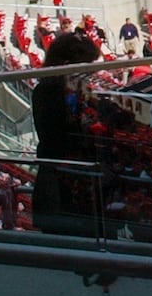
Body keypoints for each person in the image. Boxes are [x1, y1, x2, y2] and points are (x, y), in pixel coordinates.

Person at [31, 32, 102, 234]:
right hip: (62, 186)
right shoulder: (48, 91)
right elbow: (54, 138)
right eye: (86, 66)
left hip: (78, 183)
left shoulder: (75, 92)